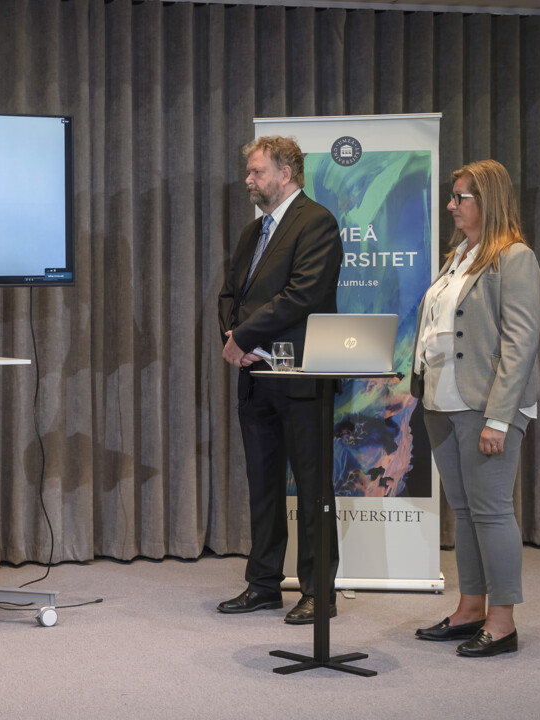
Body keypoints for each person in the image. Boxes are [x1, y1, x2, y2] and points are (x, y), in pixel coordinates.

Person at [411, 159, 540, 658]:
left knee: (491, 512)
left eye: (460, 197)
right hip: (441, 402)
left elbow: (520, 344)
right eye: (453, 196)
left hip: (487, 406)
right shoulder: (459, 257)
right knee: (465, 512)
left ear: (487, 200)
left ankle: (502, 622)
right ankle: (470, 609)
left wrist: (499, 418)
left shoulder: (514, 257)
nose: (451, 205)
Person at [216, 136, 343, 624]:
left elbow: (302, 294)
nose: (248, 180)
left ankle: (318, 592)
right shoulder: (253, 231)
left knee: (313, 489)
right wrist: (235, 338)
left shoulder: (317, 222)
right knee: (263, 486)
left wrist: (245, 336)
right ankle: (264, 585)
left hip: (303, 378)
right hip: (256, 376)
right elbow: (229, 294)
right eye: (249, 172)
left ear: (286, 174)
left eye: (257, 172)